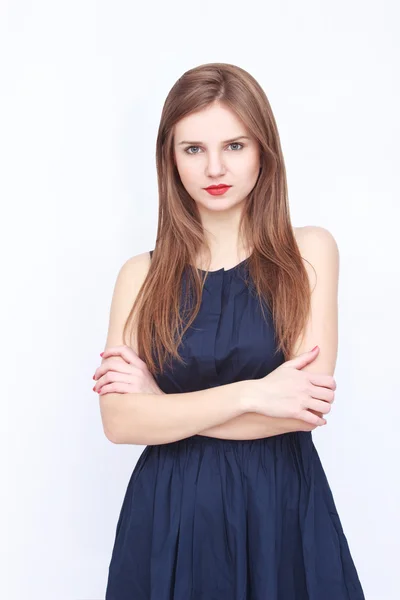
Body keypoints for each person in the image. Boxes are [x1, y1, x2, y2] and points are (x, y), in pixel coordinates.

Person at [93, 63, 365, 599]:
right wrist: (255, 393)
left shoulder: (308, 252)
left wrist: (163, 409)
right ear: (170, 160)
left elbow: (300, 409)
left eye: (235, 145)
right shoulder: (139, 275)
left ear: (264, 150)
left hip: (279, 507)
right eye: (192, 149)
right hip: (169, 514)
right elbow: (120, 422)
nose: (214, 166)